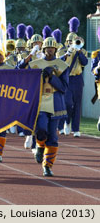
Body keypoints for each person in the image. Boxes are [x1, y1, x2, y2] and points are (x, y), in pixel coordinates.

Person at [29, 37, 69, 176]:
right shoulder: (35, 64)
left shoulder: (62, 65)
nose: (50, 50)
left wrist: (52, 77)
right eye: (47, 48)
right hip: (40, 101)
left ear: (55, 49)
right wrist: (41, 76)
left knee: (52, 136)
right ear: (43, 49)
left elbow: (64, 87)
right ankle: (40, 145)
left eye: (52, 48)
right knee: (41, 128)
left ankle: (47, 166)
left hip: (56, 102)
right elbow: (27, 81)